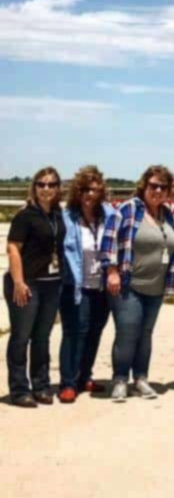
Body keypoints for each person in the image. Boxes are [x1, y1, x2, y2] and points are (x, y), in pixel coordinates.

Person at [103, 165, 174, 403]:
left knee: (145, 335)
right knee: (127, 332)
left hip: (156, 287)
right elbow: (109, 240)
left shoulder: (167, 215)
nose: (157, 190)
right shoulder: (128, 210)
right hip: (129, 285)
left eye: (163, 187)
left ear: (169, 191)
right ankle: (119, 380)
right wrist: (112, 271)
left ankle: (140, 378)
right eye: (153, 185)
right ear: (144, 186)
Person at [4, 166, 65, 407]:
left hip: (52, 284)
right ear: (34, 187)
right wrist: (18, 282)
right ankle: (19, 389)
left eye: (51, 184)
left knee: (42, 337)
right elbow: (13, 249)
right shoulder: (25, 215)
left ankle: (41, 385)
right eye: (41, 184)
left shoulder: (58, 215)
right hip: (27, 284)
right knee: (21, 336)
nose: (46, 189)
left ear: (58, 188)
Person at [59, 165, 118, 402]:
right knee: (75, 332)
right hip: (76, 285)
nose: (89, 194)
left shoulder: (108, 215)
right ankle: (68, 382)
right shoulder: (67, 216)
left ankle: (85, 377)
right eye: (85, 189)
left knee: (94, 332)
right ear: (77, 190)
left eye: (94, 189)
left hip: (101, 285)